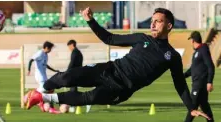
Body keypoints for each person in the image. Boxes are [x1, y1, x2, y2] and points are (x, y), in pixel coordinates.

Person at [25, 7, 210, 120]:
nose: (153, 24)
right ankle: (41, 91)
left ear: (169, 26)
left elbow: (180, 84)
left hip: (121, 89)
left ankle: (42, 98)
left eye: (158, 21)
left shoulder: (172, 56)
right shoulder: (141, 38)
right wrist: (91, 21)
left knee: (86, 98)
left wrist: (191, 108)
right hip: (109, 70)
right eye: (152, 21)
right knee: (67, 77)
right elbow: (110, 38)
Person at [184, 31, 215, 122]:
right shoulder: (197, 52)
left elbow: (210, 66)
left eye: (191, 40)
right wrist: (182, 76)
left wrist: (209, 81)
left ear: (193, 40)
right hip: (198, 84)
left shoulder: (203, 50)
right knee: (205, 107)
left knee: (192, 108)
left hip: (199, 85)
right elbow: (192, 69)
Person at [26, 41, 60, 114]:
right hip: (39, 76)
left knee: (50, 90)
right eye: (50, 49)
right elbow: (31, 60)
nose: (50, 50)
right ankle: (32, 96)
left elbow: (45, 65)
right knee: (44, 90)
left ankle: (48, 106)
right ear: (47, 48)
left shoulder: (45, 55)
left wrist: (54, 70)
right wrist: (29, 70)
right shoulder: (40, 53)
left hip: (44, 76)